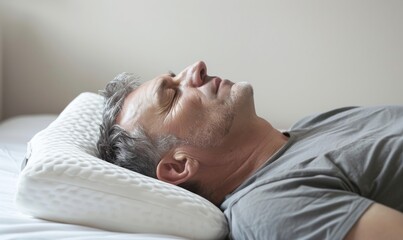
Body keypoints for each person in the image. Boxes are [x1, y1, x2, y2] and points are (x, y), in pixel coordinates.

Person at [97, 61, 403, 240]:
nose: (197, 67)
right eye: (173, 93)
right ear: (179, 167)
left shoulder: (313, 125)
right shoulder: (272, 208)